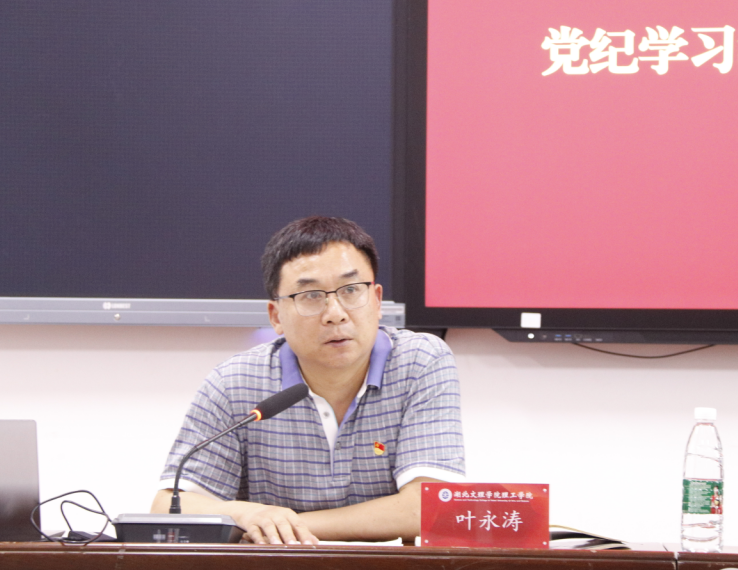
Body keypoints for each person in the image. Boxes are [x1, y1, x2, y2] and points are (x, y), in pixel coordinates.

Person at [151, 216, 465, 544]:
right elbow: (168, 506)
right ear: (276, 316)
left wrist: (284, 525)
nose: (335, 313)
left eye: (351, 290)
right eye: (311, 296)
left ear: (376, 300)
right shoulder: (235, 383)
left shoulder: (419, 361)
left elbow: (430, 507)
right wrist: (246, 514)